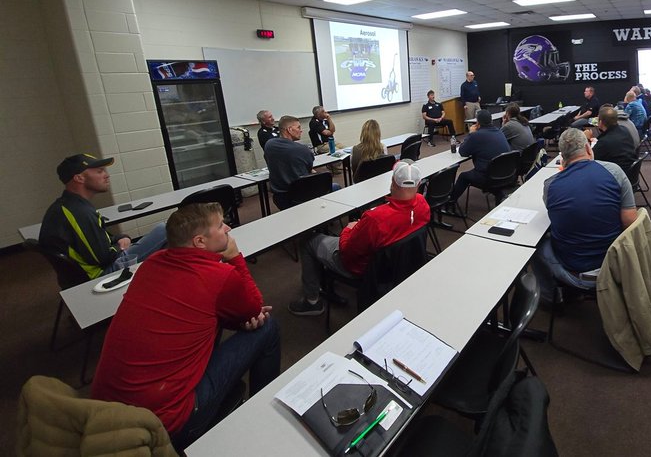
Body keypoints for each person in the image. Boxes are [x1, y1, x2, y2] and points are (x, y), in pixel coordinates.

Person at [91, 203, 279, 449]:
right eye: (221, 225)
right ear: (200, 241)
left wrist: (239, 317)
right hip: (169, 426)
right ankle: (261, 417)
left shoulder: (151, 264)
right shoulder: (220, 277)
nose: (228, 228)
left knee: (217, 316)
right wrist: (234, 257)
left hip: (107, 416)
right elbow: (255, 308)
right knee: (267, 328)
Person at [289, 160, 431, 316]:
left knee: (308, 241)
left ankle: (312, 301)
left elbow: (348, 252)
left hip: (364, 268)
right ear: (418, 185)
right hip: (401, 267)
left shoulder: (375, 218)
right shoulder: (423, 204)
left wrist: (348, 230)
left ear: (393, 183)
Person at [535, 128, 637, 297]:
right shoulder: (615, 172)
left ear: (562, 157)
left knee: (537, 245)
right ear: (589, 148)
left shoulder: (550, 185)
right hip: (616, 267)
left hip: (574, 273)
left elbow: (556, 212)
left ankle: (551, 298)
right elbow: (630, 223)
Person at [39, 154, 168, 279]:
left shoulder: (68, 206)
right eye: (100, 171)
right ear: (79, 178)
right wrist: (122, 246)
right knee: (165, 231)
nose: (107, 175)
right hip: (100, 274)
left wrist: (120, 237)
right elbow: (103, 258)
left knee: (164, 242)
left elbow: (97, 238)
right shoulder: (80, 213)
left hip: (87, 271)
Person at [265, 115, 338, 209]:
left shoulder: (269, 145)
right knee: (335, 187)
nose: (301, 130)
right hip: (303, 196)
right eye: (298, 127)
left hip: (281, 197)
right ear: (290, 130)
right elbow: (309, 169)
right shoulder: (303, 150)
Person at [448, 110, 511, 208]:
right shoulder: (499, 131)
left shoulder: (476, 135)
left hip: (487, 176)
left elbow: (463, 151)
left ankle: (451, 201)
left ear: (478, 122)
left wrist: (470, 134)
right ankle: (498, 192)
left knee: (463, 176)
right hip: (505, 174)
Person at [590, 106, 638, 180]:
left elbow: (590, 158)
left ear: (600, 122)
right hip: (629, 173)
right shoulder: (624, 130)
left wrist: (587, 139)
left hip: (616, 177)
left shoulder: (605, 142)